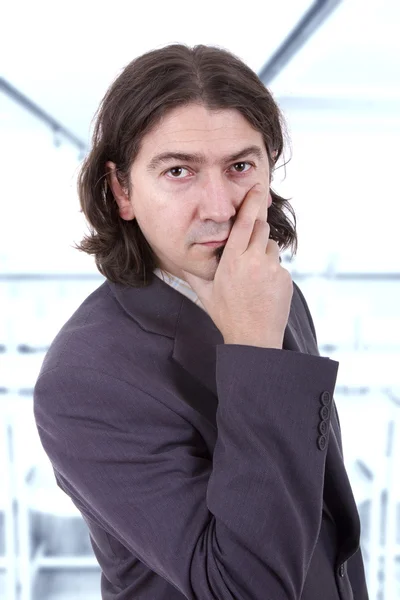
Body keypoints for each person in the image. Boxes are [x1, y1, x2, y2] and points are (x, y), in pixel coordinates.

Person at [33, 44, 368, 600]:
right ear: (121, 191)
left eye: (240, 166)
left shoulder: (273, 289)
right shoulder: (84, 380)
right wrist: (255, 351)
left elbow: (320, 511)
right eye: (179, 171)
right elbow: (247, 589)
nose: (219, 207)